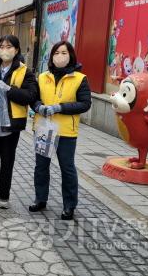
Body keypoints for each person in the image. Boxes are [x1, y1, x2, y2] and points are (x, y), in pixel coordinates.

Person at [29, 41, 91, 220]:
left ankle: (69, 205)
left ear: (71, 55)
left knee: (67, 168)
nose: (60, 56)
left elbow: (85, 103)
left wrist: (60, 108)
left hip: (66, 131)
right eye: (56, 53)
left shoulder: (79, 78)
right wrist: (39, 107)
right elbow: (34, 98)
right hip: (43, 128)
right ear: (52, 56)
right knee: (41, 166)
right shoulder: (42, 77)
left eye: (64, 52)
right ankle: (40, 199)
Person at [0, 35, 38, 209]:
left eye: (9, 46)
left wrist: (9, 89)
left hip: (10, 125)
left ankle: (4, 195)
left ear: (16, 50)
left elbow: (30, 96)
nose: (5, 49)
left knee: (7, 161)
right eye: (2, 46)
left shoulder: (25, 71)